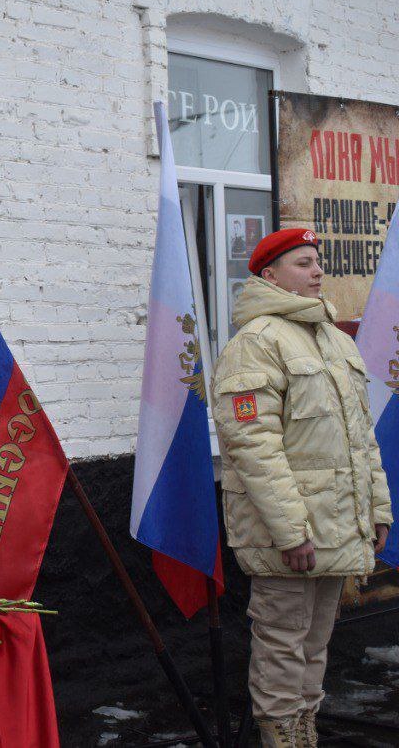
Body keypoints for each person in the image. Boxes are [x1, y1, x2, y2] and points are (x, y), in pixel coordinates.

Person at [212, 227, 392, 748]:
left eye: (318, 261)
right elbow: (253, 448)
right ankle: (282, 739)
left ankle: (304, 733)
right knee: (282, 645)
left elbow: (361, 437)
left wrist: (378, 510)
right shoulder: (256, 344)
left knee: (314, 646)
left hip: (337, 526)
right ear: (269, 275)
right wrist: (291, 532)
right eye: (303, 263)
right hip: (288, 537)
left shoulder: (335, 339)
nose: (317, 271)